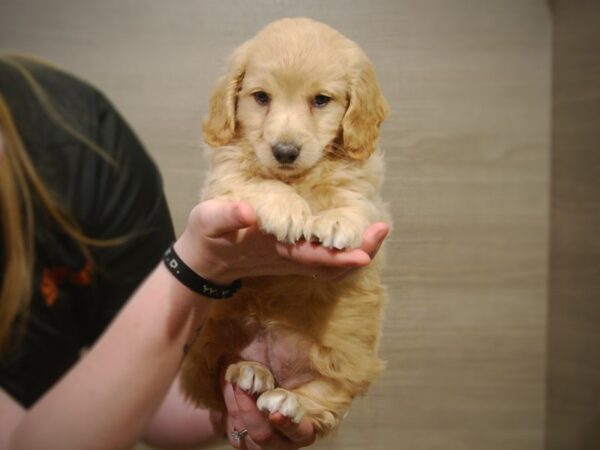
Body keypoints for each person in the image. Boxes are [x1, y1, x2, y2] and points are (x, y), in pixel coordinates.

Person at [0, 55, 389, 450]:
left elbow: (154, 382)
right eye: (261, 97)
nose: (284, 134)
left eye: (320, 100)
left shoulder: (79, 133)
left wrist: (232, 407)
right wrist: (198, 266)